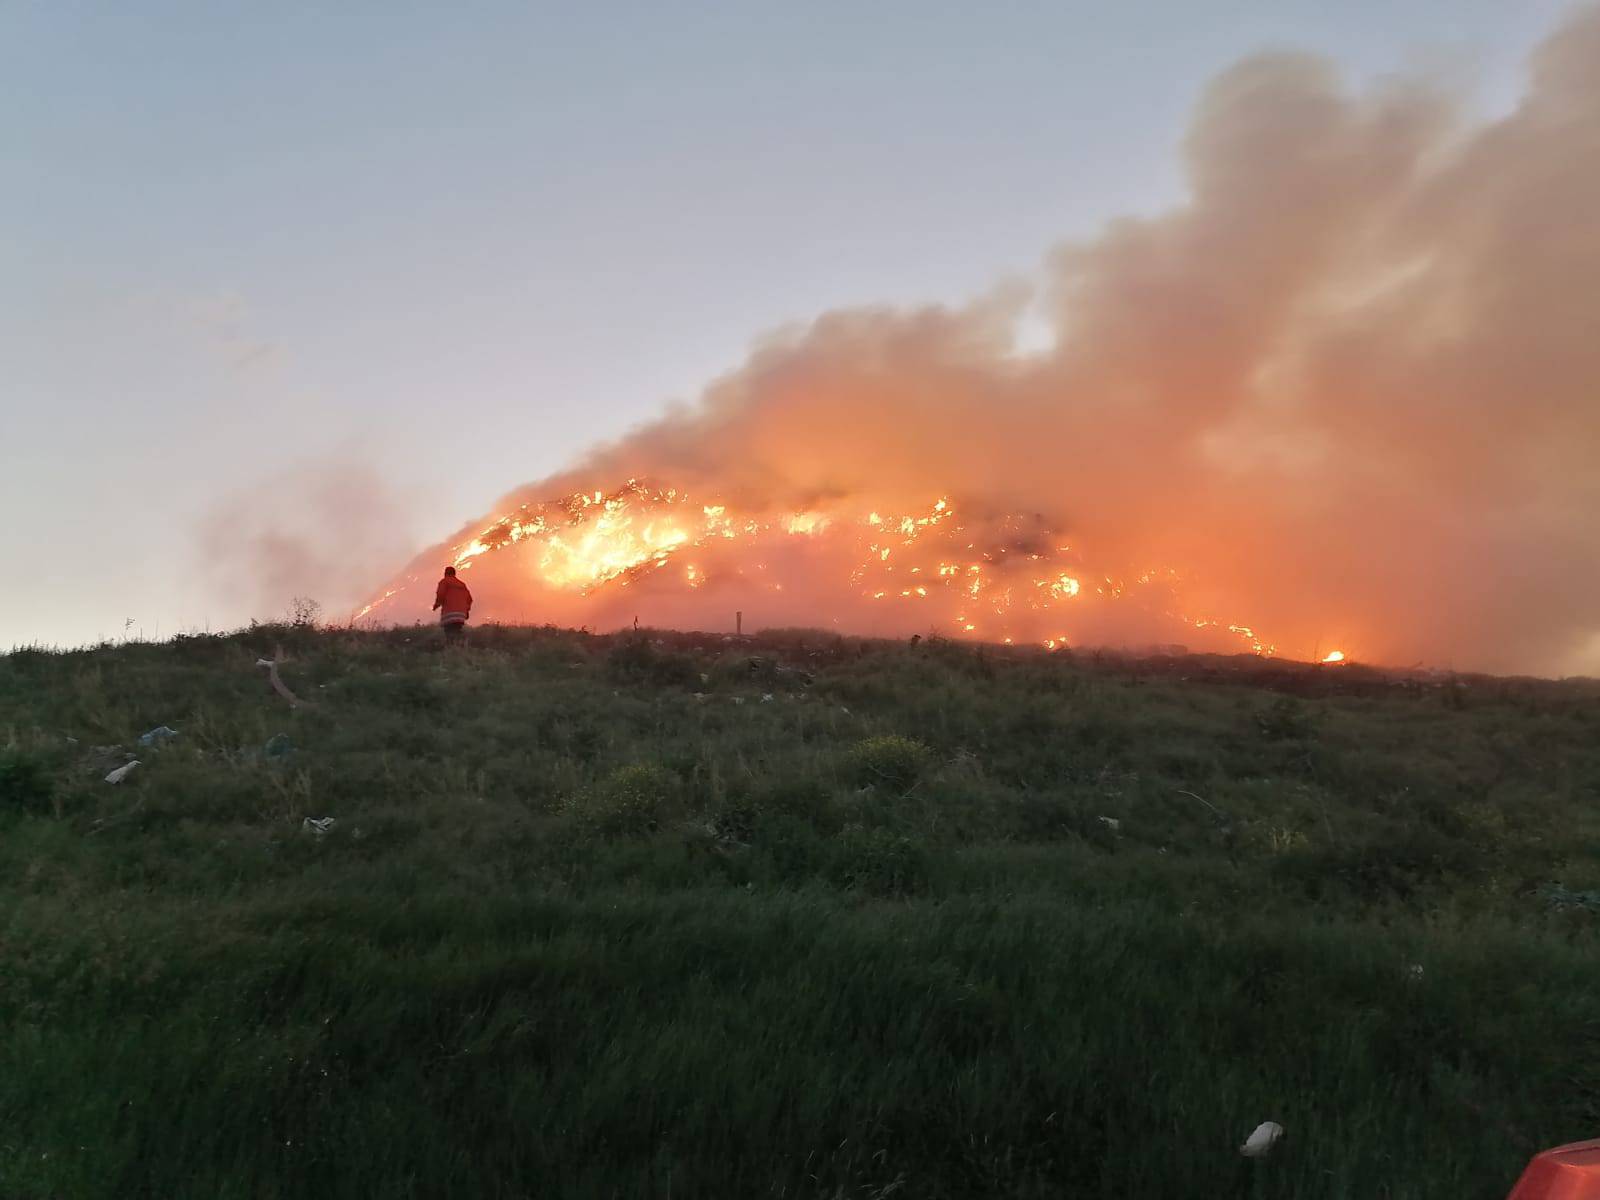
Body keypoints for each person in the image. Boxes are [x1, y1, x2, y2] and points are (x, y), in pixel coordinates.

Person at [433, 566, 473, 644]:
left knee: (449, 632)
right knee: (457, 630)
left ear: (445, 573)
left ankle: (451, 647)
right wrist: (466, 611)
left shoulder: (444, 582)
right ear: (454, 574)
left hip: (449, 613)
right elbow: (469, 599)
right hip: (461, 615)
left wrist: (436, 605)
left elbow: (441, 594)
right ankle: (461, 644)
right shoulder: (462, 584)